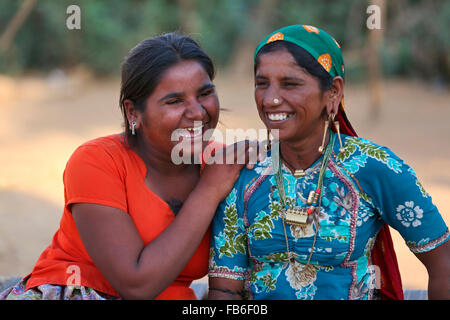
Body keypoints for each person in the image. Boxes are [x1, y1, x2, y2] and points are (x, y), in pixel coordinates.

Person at [0, 32, 253, 300]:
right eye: (175, 101)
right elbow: (135, 285)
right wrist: (209, 191)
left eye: (205, 93)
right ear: (133, 112)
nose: (197, 112)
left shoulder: (223, 163)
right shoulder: (96, 161)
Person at [208, 25, 449, 300]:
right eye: (262, 83)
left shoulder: (373, 168)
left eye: (290, 84)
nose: (270, 99)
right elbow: (224, 290)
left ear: (333, 91)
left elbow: (443, 263)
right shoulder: (244, 175)